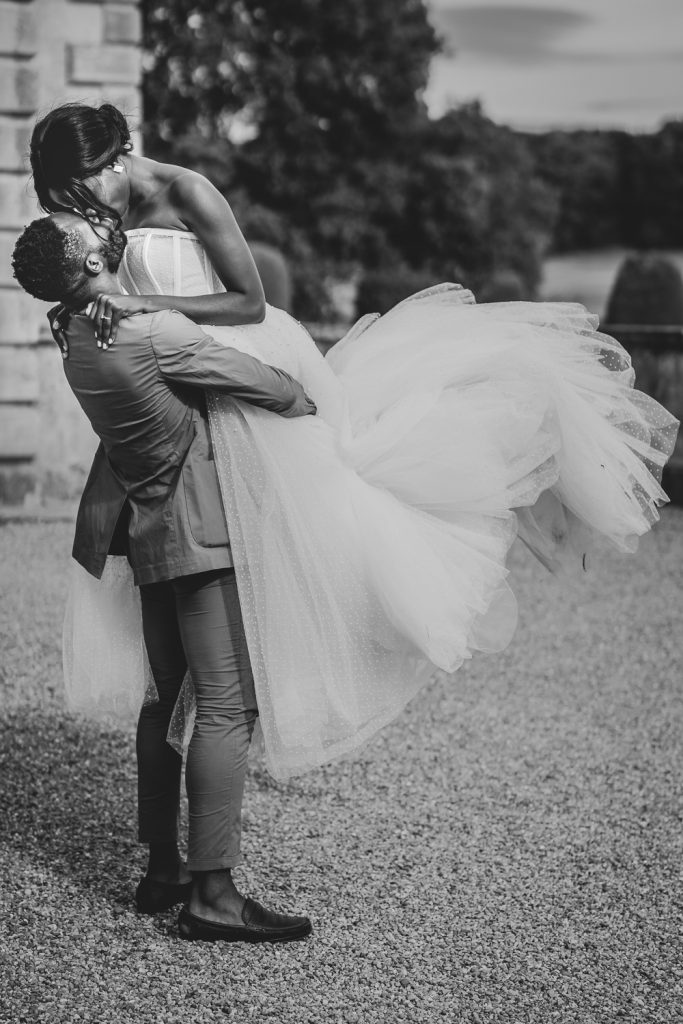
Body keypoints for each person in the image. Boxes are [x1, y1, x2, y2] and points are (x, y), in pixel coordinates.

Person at [28, 103, 679, 786]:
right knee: (190, 565)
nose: (78, 212)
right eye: (64, 201)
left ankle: (285, 678)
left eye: (81, 191)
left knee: (318, 515)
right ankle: (206, 727)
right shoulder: (95, 220)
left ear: (117, 157)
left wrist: (148, 310)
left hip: (229, 354)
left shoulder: (187, 190)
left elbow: (248, 302)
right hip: (163, 381)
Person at [12, 211, 316, 944]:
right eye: (78, 228)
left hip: (149, 531)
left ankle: (163, 867)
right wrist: (307, 398)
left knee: (164, 700)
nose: (90, 221)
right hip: (201, 535)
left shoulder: (76, 335)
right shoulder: (150, 334)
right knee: (225, 706)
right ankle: (213, 894)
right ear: (88, 265)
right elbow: (274, 387)